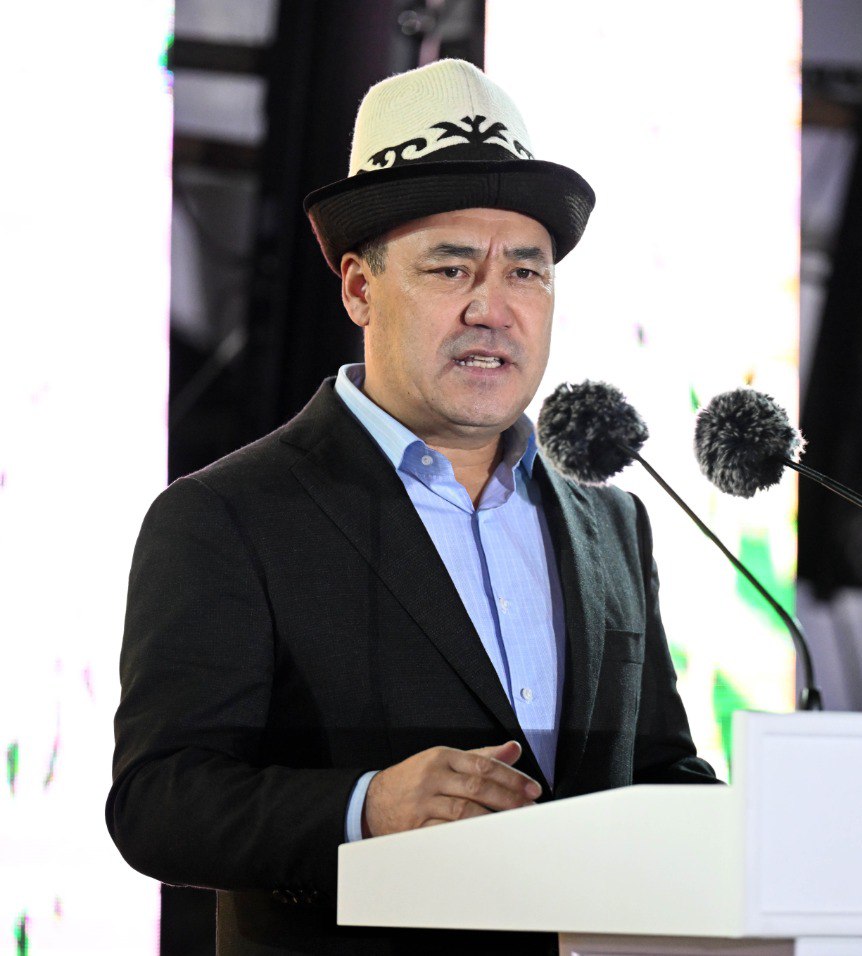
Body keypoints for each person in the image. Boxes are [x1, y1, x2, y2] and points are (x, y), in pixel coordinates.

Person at [107, 59, 717, 956]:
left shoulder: (611, 520)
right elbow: (158, 803)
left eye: (526, 273)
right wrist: (366, 807)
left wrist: (763, 836)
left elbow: (657, 772)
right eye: (450, 268)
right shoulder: (226, 516)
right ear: (360, 289)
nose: (492, 309)